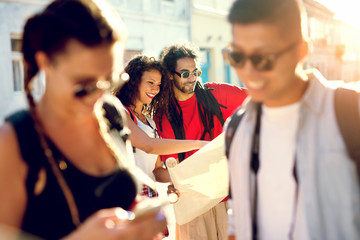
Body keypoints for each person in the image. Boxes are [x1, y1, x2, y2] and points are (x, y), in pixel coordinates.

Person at [0, 0, 167, 239]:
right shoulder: (14, 142)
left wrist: (143, 215)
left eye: (110, 81)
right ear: (45, 62)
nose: (99, 95)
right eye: (84, 85)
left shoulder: (111, 113)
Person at [224, 0, 360, 239]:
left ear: (301, 51)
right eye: (237, 56)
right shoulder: (236, 128)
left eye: (262, 58)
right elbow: (237, 219)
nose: (247, 71)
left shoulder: (350, 112)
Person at [156, 42, 247, 240]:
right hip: (192, 205)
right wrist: (174, 180)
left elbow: (259, 100)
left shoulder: (217, 94)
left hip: (227, 197)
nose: (192, 78)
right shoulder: (162, 116)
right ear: (170, 74)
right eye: (185, 73)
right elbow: (162, 170)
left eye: (196, 72)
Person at [115, 55, 207, 196]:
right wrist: (198, 144)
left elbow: (156, 171)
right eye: (150, 82)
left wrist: (178, 180)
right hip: (127, 195)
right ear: (133, 81)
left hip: (150, 196)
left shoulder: (150, 122)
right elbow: (149, 146)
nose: (155, 89)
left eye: (158, 85)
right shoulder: (120, 112)